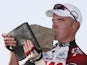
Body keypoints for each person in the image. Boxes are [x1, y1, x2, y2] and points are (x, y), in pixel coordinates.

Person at [2, 3, 87, 65]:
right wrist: (14, 48)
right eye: (53, 20)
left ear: (75, 25)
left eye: (60, 20)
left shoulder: (82, 59)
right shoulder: (42, 52)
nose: (54, 25)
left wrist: (38, 60)